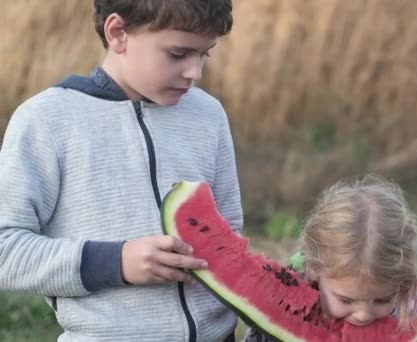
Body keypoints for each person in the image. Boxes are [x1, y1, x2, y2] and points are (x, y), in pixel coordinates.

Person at [0, 1, 242, 341]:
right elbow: (5, 248)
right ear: (118, 33)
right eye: (177, 54)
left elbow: (229, 234)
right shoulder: (47, 120)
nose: (194, 72)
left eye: (205, 54)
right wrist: (115, 261)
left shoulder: (209, 114)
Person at [244, 176, 417, 341]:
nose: (363, 314)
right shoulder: (286, 306)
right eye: (346, 300)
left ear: (403, 281)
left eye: (381, 300)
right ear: (314, 268)